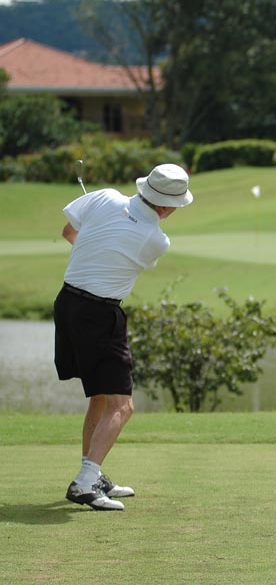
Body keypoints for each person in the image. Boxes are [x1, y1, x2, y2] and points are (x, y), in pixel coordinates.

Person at [55, 163, 193, 511]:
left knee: (100, 398)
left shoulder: (102, 197)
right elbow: (129, 257)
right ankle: (85, 482)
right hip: (100, 315)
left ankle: (93, 473)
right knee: (123, 404)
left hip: (68, 303)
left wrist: (95, 241)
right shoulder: (155, 239)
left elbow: (69, 232)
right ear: (164, 206)